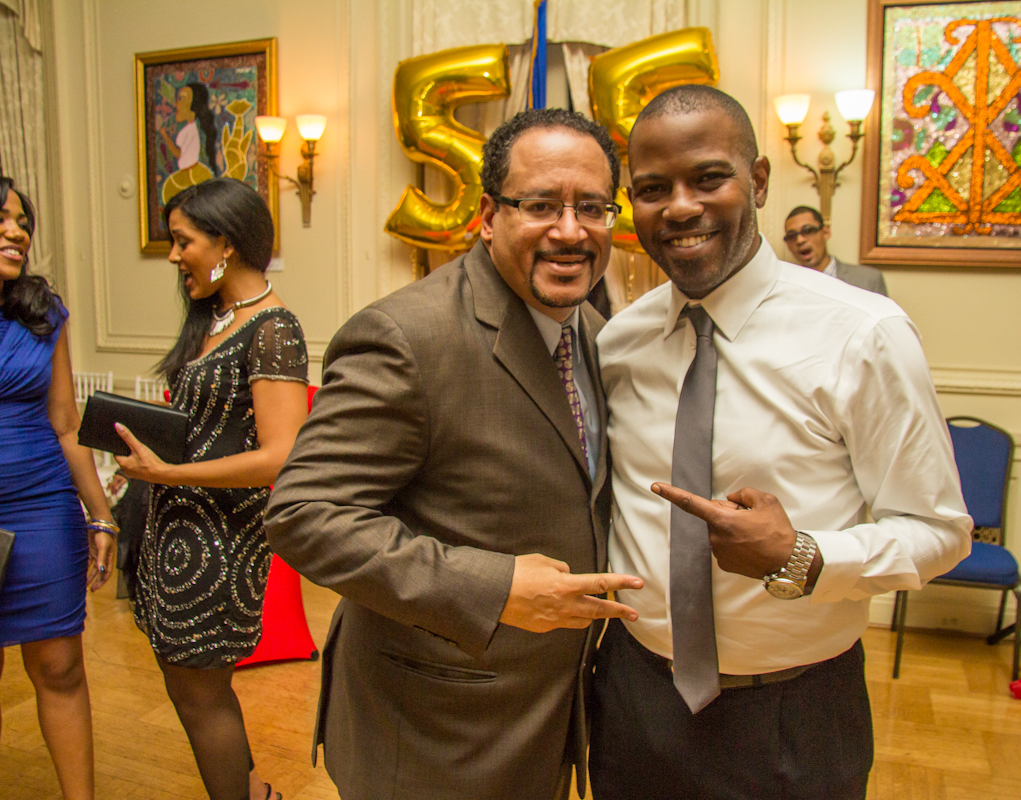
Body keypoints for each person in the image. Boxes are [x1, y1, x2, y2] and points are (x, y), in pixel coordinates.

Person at [589, 85, 972, 800]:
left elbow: (941, 532)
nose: (680, 207)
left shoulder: (863, 334)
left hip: (795, 714)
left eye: (709, 178)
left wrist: (803, 556)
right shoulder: (620, 341)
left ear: (759, 180)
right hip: (635, 701)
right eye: (652, 189)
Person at [265, 108, 643, 800]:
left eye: (592, 208)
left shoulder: (594, 330)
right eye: (541, 205)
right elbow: (304, 515)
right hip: (433, 731)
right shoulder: (407, 337)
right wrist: (492, 589)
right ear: (489, 216)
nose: (570, 231)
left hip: (543, 715)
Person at [113, 177, 308, 800]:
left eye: (183, 241)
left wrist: (167, 474)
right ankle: (257, 794)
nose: (174, 256)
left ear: (226, 242)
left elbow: (279, 456)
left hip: (220, 543)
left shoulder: (273, 327)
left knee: (202, 697)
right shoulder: (214, 321)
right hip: (176, 533)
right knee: (189, 690)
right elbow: (210, 431)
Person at [0, 170, 117, 800]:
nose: (16, 232)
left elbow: (66, 422)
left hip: (44, 507)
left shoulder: (43, 312)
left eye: (22, 221)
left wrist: (100, 513)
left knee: (60, 666)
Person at [783, 205, 888, 295]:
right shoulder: (785, 287)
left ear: (826, 233)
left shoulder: (868, 280)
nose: (800, 240)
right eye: (791, 236)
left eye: (808, 230)